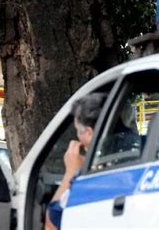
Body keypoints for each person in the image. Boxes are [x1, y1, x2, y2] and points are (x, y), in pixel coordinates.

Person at [45, 93, 106, 230]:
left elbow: (53, 222)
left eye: (78, 131)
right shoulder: (136, 150)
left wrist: (71, 172)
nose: (77, 136)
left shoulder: (98, 174)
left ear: (89, 133)